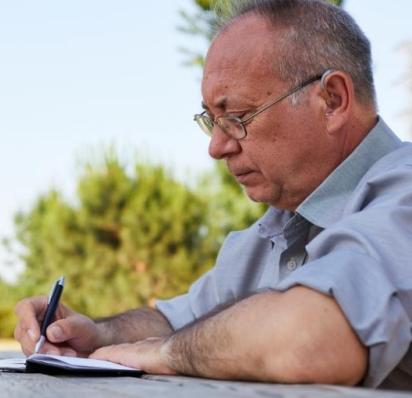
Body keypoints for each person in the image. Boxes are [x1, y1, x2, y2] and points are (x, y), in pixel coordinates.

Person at [13, 0, 412, 389]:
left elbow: (311, 339)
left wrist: (168, 354)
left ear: (333, 100)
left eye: (237, 117)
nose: (216, 147)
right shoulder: (275, 230)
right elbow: (180, 320)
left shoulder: (404, 196)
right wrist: (97, 332)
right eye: (212, 121)